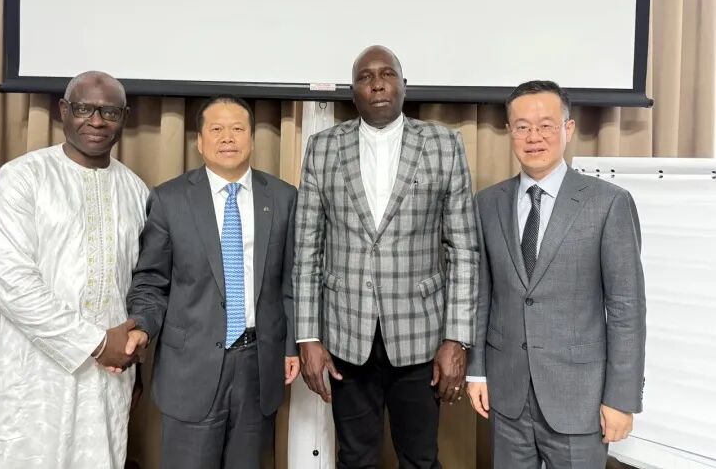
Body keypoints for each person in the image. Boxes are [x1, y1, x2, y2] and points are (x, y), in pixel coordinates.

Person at [294, 45, 479, 468]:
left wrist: (456, 337)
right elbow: (307, 250)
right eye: (365, 77)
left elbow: (464, 250)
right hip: (345, 336)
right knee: (355, 458)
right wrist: (308, 336)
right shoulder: (322, 148)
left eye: (387, 74)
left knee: (420, 459)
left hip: (421, 338)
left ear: (404, 85)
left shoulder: (444, 144)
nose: (377, 84)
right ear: (353, 92)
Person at [466, 80, 646, 468]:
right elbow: (482, 297)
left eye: (546, 125)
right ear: (510, 131)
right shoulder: (487, 204)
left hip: (579, 399)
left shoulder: (608, 203)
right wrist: (476, 372)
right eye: (522, 127)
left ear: (568, 129)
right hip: (507, 396)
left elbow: (626, 310)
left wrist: (621, 398)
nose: (534, 137)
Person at [0, 71, 148, 468]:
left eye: (109, 112)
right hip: (32, 378)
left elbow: (137, 285)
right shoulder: (21, 178)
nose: (96, 121)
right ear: (63, 111)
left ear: (124, 118)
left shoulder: (136, 191)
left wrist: (130, 354)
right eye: (84, 108)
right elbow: (11, 284)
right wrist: (94, 342)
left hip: (107, 378)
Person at [125, 96, 299, 468]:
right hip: (190, 365)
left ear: (252, 139)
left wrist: (291, 346)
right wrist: (141, 326)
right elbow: (151, 280)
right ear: (200, 142)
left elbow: (291, 281)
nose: (227, 138)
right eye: (216, 129)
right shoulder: (170, 199)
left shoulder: (284, 198)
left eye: (237, 129)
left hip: (258, 363)